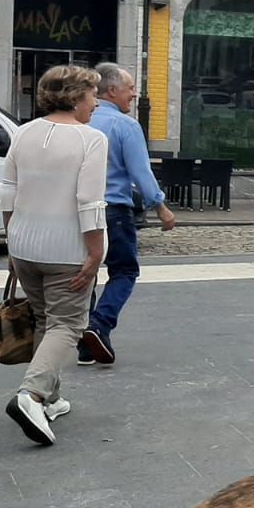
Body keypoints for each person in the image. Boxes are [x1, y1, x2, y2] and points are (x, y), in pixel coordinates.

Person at [0, 65, 109, 446]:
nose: (95, 102)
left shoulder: (23, 132)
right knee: (68, 324)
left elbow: (8, 191)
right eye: (92, 95)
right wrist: (95, 253)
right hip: (68, 247)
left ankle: (51, 397)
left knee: (46, 318)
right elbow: (90, 201)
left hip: (25, 243)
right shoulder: (90, 139)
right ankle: (30, 395)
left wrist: (12, 239)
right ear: (76, 96)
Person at [77, 63, 176, 366]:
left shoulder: (80, 122)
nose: (134, 94)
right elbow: (140, 172)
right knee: (124, 271)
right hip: (113, 210)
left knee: (86, 274)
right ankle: (99, 325)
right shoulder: (125, 126)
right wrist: (160, 205)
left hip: (79, 210)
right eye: (130, 88)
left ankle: (84, 343)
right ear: (112, 90)